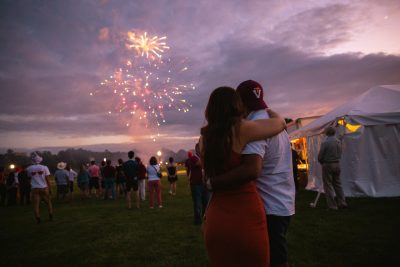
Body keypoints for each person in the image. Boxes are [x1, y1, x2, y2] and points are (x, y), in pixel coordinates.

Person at [210, 80, 296, 267]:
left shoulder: (254, 127)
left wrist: (212, 183)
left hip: (268, 205)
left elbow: (252, 169)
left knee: (271, 260)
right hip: (284, 201)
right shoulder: (272, 124)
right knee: (278, 257)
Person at [318, 126, 348, 210]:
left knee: (328, 185)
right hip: (337, 164)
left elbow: (320, 156)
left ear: (327, 133)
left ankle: (332, 205)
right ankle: (342, 202)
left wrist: (321, 161)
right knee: (338, 184)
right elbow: (340, 152)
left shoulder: (325, 143)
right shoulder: (338, 142)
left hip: (328, 164)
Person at [26, 153, 53, 224]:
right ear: (39, 160)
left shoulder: (29, 168)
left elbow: (29, 179)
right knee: (48, 202)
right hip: (44, 187)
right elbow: (47, 179)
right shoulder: (44, 167)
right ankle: (50, 216)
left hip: (35, 188)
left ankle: (38, 219)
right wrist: (50, 188)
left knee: (36, 205)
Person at [187, 143, 209, 225]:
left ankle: (206, 218)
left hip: (205, 183)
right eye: (200, 148)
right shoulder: (193, 158)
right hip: (196, 184)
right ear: (196, 149)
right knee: (197, 203)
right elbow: (199, 163)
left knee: (206, 202)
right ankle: (198, 220)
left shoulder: (202, 157)